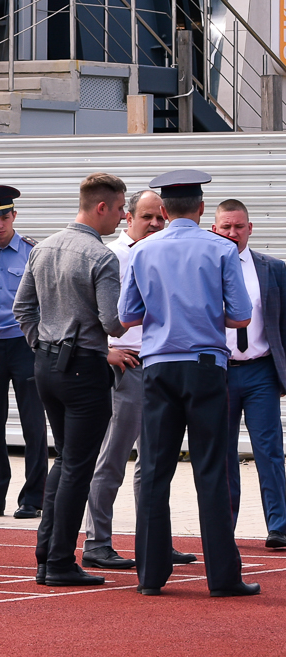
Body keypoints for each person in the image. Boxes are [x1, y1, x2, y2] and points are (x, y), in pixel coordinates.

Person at [119, 169, 259, 597]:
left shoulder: (143, 250)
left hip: (159, 367)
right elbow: (241, 316)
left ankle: (151, 576)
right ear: (201, 209)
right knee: (212, 470)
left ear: (162, 211)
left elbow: (127, 316)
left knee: (156, 471)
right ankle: (223, 578)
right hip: (205, 366)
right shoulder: (221, 248)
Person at [12, 172, 127, 587]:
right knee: (77, 464)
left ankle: (48, 555)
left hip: (47, 365)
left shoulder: (42, 247)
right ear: (101, 207)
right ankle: (58, 561)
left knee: (64, 459)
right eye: (118, 209)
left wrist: (42, 344)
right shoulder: (101, 256)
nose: (121, 217)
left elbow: (21, 308)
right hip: (83, 367)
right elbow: (113, 323)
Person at [80, 190, 198, 571]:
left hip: (162, 364)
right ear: (127, 217)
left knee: (156, 461)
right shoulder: (112, 255)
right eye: (146, 217)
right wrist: (105, 353)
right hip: (125, 366)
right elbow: (88, 314)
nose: (154, 224)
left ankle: (155, 541)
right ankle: (98, 542)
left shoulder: (165, 253)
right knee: (112, 457)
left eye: (159, 218)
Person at [0, 185, 47, 521]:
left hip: (24, 343)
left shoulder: (32, 251)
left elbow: (46, 298)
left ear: (14, 215)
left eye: (3, 217)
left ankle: (33, 496)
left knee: (33, 424)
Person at [212, 199, 286, 551]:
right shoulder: (204, 268)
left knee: (270, 451)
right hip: (219, 373)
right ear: (214, 229)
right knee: (222, 453)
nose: (232, 233)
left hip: (260, 371)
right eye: (225, 226)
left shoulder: (273, 269)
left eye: (238, 226)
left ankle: (280, 527)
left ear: (250, 228)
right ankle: (226, 527)